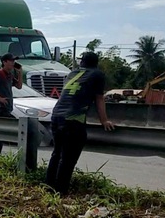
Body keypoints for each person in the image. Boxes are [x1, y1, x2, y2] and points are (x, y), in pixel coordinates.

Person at [45, 52, 115, 195]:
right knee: (68, 158)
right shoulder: (97, 75)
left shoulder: (72, 73)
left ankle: (48, 188)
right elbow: (99, 99)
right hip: (73, 120)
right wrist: (104, 120)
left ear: (82, 62)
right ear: (96, 63)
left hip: (56, 115)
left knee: (57, 154)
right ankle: (60, 192)